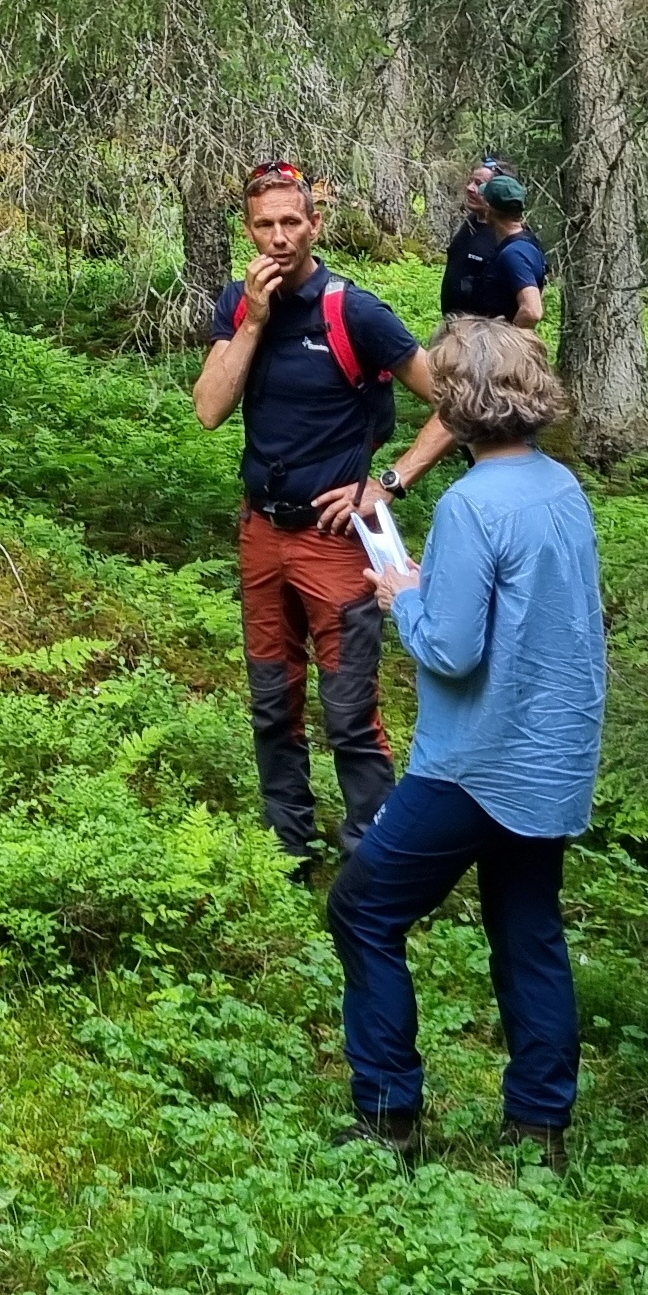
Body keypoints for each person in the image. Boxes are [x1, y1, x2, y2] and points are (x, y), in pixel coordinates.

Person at [330, 316, 605, 1166]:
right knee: (528, 931)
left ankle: (388, 1116)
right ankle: (538, 1129)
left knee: (363, 909)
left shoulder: (472, 504)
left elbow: (450, 649)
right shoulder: (561, 487)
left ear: (458, 402)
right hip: (552, 755)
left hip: (475, 763)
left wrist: (399, 594)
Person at [195, 158, 440, 862]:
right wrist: (253, 323)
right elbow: (210, 409)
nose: (278, 238)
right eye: (264, 224)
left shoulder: (353, 310)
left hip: (338, 539)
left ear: (315, 224)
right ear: (248, 229)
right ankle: (287, 845)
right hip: (262, 530)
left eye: (291, 222)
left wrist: (388, 482)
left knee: (349, 707)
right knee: (273, 698)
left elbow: (453, 403)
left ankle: (373, 856)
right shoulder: (239, 304)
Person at [382, 163, 548, 498]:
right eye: (471, 182)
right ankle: (494, 485)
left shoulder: (513, 248)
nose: (473, 190)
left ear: (496, 201)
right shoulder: (480, 228)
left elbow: (532, 306)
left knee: (496, 423)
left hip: (491, 357)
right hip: (468, 341)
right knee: (480, 425)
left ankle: (508, 495)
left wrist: (508, 340)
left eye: (482, 186)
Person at [437, 162, 549, 328]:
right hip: (466, 334)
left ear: (490, 208)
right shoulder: (477, 225)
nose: (470, 188)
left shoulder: (514, 252)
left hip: (489, 344)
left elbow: (532, 311)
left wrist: (508, 339)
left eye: (480, 185)